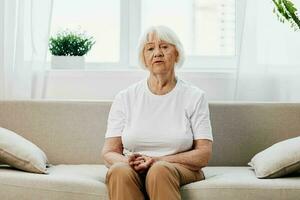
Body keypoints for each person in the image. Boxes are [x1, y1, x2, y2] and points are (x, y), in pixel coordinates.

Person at [102, 25, 213, 200]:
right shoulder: (125, 97)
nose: (157, 53)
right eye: (150, 48)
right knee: (119, 171)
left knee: (159, 171)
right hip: (133, 167)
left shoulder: (194, 96)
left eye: (164, 46)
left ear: (176, 54)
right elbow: (109, 152)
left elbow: (203, 154)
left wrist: (158, 161)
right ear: (144, 59)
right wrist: (130, 163)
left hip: (176, 168)